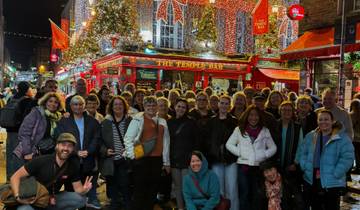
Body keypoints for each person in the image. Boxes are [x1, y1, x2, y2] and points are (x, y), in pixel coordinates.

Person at [10, 133, 92, 210]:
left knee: (81, 200)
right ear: (57, 146)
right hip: (32, 199)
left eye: (69, 146)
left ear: (73, 149)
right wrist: (18, 197)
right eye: (63, 145)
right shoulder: (41, 160)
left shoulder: (72, 165)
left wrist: (84, 189)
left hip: (50, 199)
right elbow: (15, 177)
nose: (66, 148)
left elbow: (78, 189)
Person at [298, 110, 354, 210]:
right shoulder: (311, 136)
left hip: (332, 179)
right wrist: (305, 166)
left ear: (332, 121)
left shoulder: (342, 137)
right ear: (317, 121)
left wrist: (337, 172)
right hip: (312, 178)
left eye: (326, 119)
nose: (323, 122)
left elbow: (347, 157)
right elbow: (303, 152)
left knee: (331, 207)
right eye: (320, 119)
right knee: (316, 206)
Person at [226, 105, 277, 210]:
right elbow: (229, 144)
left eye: (256, 115)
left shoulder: (264, 130)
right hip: (243, 167)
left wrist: (263, 155)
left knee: (257, 194)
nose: (253, 118)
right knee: (244, 193)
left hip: (258, 168)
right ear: (246, 116)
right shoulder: (239, 129)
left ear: (260, 117)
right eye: (251, 115)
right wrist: (240, 153)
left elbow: (273, 148)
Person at [124, 96, 170, 210]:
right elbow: (128, 138)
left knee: (153, 189)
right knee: (140, 189)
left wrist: (166, 162)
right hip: (141, 159)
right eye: (148, 105)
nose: (151, 107)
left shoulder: (163, 121)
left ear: (157, 107)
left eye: (154, 105)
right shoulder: (138, 119)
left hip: (157, 160)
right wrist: (132, 155)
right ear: (144, 106)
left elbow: (166, 143)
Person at [55, 95, 101, 209]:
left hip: (88, 161)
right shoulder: (64, 121)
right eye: (75, 104)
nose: (78, 106)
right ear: (70, 106)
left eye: (80, 104)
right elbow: (60, 138)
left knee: (85, 189)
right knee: (70, 191)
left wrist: (88, 151)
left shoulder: (93, 121)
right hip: (70, 161)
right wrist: (76, 152)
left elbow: (96, 138)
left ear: (84, 105)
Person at [204, 95, 239, 210]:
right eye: (222, 103)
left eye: (226, 103)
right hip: (215, 159)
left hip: (231, 159)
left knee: (232, 188)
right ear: (218, 104)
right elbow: (208, 141)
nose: (224, 106)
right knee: (218, 189)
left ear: (230, 106)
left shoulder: (235, 122)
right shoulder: (211, 121)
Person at [99, 96, 132, 210]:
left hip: (125, 159)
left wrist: (130, 148)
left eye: (120, 104)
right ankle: (115, 204)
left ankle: (127, 204)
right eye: (115, 104)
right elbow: (100, 140)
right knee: (112, 184)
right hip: (111, 159)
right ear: (111, 107)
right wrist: (105, 150)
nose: (118, 106)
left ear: (124, 107)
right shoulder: (106, 122)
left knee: (125, 183)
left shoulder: (130, 121)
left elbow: (137, 138)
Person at [14, 92, 64, 161]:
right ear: (45, 102)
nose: (53, 104)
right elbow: (24, 133)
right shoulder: (36, 113)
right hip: (35, 153)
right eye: (50, 101)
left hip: (52, 153)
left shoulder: (58, 117)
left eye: (56, 102)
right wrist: (28, 152)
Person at [167, 98, 198, 210]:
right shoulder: (169, 122)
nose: (180, 109)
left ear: (187, 109)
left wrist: (194, 159)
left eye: (183, 107)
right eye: (179, 106)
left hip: (187, 159)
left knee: (187, 187)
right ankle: (180, 208)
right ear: (175, 107)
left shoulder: (191, 122)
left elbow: (196, 141)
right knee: (178, 187)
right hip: (174, 158)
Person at [5, 81, 37, 180]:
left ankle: (10, 179)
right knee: (21, 158)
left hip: (10, 132)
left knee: (11, 157)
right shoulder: (28, 101)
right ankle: (20, 181)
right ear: (28, 90)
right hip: (22, 134)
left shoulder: (11, 99)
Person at [274, 101, 303, 181]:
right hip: (275, 163)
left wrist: (295, 163)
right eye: (284, 110)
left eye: (289, 110)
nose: (286, 112)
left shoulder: (297, 127)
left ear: (293, 112)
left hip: (291, 164)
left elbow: (300, 146)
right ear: (280, 111)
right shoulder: (274, 125)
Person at [350, 99, 360, 173]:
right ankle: (358, 167)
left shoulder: (350, 115)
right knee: (358, 155)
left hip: (353, 138)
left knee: (351, 155)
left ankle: (351, 169)